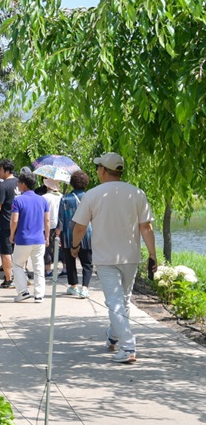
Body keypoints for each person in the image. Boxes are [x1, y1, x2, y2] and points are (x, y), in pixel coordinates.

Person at [71, 152, 157, 363]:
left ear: (102, 170)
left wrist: (74, 247)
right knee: (122, 300)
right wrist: (153, 255)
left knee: (115, 302)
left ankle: (128, 348)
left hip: (105, 258)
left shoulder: (92, 194)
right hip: (131, 256)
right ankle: (113, 336)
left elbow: (80, 227)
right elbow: (146, 227)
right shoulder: (136, 193)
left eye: (98, 167)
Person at [10, 172, 50, 303]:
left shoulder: (18, 200)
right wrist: (47, 237)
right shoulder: (43, 200)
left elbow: (14, 220)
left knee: (17, 265)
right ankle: (39, 295)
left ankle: (23, 292)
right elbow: (47, 220)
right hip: (39, 239)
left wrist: (12, 235)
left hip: (23, 239)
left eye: (18, 183)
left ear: (23, 184)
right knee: (39, 267)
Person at [56, 170, 93, 298]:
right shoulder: (90, 197)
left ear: (72, 184)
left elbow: (60, 219)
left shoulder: (65, 198)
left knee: (70, 262)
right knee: (87, 263)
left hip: (68, 235)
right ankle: (85, 288)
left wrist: (57, 234)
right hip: (87, 235)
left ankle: (73, 286)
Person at [0, 159, 19, 288]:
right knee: (19, 251)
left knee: (6, 251)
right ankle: (20, 276)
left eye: (0, 170)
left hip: (6, 222)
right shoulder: (21, 183)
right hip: (21, 222)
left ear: (6, 171)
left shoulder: (3, 186)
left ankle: (9, 279)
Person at [41, 178, 63, 277]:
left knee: (48, 247)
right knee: (60, 246)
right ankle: (64, 268)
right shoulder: (62, 196)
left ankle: (48, 269)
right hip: (60, 224)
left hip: (47, 224)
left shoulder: (45, 197)